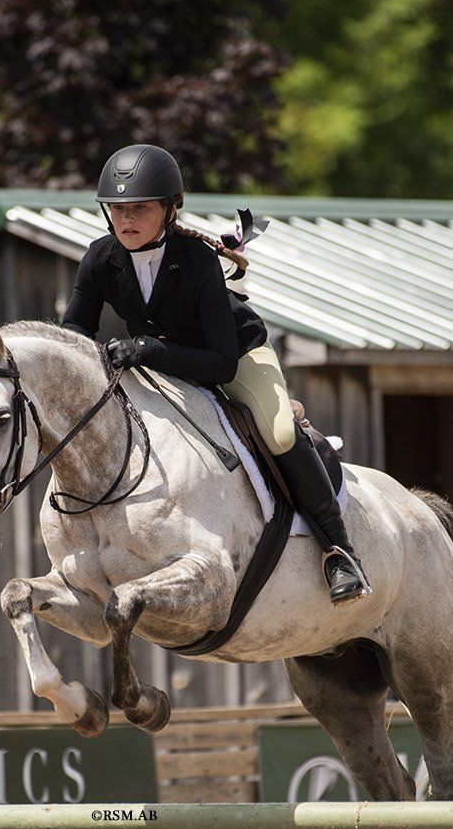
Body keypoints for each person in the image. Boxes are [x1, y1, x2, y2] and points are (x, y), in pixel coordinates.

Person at [62, 143, 369, 605]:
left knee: (281, 433)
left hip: (237, 357)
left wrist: (147, 349)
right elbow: (73, 336)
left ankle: (339, 551)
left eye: (140, 208)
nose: (127, 219)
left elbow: (220, 363)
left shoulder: (197, 260)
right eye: (118, 208)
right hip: (166, 367)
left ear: (169, 210)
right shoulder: (101, 258)